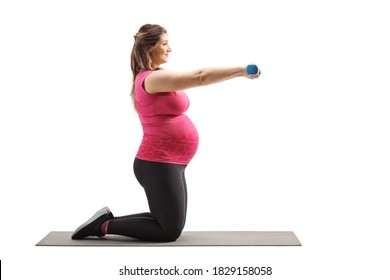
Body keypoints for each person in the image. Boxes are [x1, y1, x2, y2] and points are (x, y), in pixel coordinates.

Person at [71, 23, 260, 242]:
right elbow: (200, 76)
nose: (170, 48)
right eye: (164, 43)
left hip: (171, 163)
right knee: (169, 231)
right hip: (157, 163)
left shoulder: (156, 76)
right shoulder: (151, 79)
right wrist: (240, 71)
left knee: (167, 222)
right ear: (149, 47)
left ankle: (104, 220)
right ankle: (103, 226)